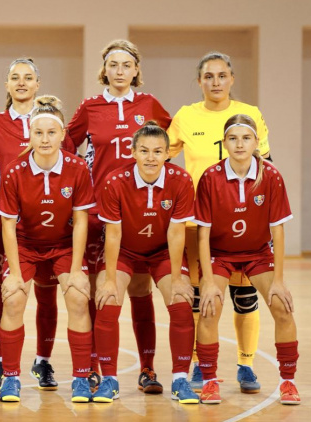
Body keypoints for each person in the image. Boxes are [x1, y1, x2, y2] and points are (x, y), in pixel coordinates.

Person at [63, 39, 172, 393]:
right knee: (102, 290)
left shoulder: (149, 104)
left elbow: (172, 142)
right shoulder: (91, 107)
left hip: (144, 213)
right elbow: (66, 147)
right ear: (104, 70)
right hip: (101, 214)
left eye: (127, 65)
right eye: (114, 65)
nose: (120, 71)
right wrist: (84, 182)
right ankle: (94, 366)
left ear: (136, 69)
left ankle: (147, 369)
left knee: (141, 289)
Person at [167, 52, 272, 392]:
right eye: (208, 76)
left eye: (222, 75)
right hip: (199, 224)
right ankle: (200, 363)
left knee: (244, 296)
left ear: (232, 79)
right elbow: (160, 156)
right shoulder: (185, 116)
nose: (215, 82)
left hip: (242, 222)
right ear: (199, 81)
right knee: (201, 297)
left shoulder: (250, 115)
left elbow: (266, 166)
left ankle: (246, 364)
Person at [193, 114, 299, 405]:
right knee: (209, 308)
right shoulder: (210, 177)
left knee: (282, 307)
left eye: (246, 138)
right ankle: (210, 379)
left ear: (256, 142)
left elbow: (278, 230)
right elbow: (203, 234)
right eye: (233, 138)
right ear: (224, 142)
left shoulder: (271, 175)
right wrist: (207, 281)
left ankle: (288, 381)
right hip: (220, 255)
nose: (239, 144)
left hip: (258, 254)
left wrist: (278, 280)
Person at [0, 96, 95, 403]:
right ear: (29, 135)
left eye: (51, 133)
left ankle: (81, 377)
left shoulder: (77, 168)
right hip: (26, 245)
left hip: (63, 245)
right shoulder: (15, 171)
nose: (45, 139)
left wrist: (77, 270)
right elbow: (8, 226)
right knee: (13, 299)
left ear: (63, 134)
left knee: (78, 297)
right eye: (38, 133)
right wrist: (13, 272)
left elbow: (80, 222)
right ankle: (11, 377)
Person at [93, 121, 199, 404]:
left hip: (162, 252)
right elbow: (113, 234)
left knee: (181, 303)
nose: (151, 157)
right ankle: (110, 380)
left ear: (167, 153)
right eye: (144, 151)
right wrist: (111, 280)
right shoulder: (115, 182)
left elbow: (177, 232)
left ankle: (180, 380)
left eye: (157, 151)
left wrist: (177, 277)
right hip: (125, 251)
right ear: (133, 152)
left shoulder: (181, 180)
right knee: (108, 300)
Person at [0, 58, 59, 391]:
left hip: (49, 223)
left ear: (38, 84)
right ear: (7, 85)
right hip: (7, 221)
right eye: (15, 78)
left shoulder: (51, 122)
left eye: (29, 77)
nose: (22, 83)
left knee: (47, 294)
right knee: (3, 292)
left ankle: (43, 361)